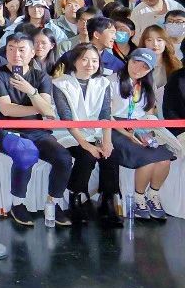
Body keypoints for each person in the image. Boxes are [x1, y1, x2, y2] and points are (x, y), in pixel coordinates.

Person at [0, 32, 73, 226]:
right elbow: (6, 109)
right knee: (26, 154)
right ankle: (17, 203)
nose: (16, 54)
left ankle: (53, 203)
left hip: (37, 130)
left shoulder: (41, 76)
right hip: (7, 130)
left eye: (21, 50)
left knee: (63, 158)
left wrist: (31, 91)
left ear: (32, 52)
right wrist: (39, 107)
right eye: (11, 49)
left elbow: (48, 111)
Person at [51, 43, 121, 227]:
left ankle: (107, 200)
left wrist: (107, 141)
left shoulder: (103, 83)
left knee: (111, 155)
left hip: (95, 132)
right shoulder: (60, 83)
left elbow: (106, 114)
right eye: (85, 60)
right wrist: (86, 144)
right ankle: (75, 197)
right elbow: (66, 118)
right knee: (87, 156)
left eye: (94, 60)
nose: (90, 64)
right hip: (68, 134)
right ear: (74, 61)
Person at [112, 48, 177, 219]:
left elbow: (148, 112)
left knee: (164, 160)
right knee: (147, 160)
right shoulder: (111, 81)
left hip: (141, 127)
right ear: (128, 60)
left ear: (150, 70)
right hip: (115, 127)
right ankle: (139, 198)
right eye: (135, 62)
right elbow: (106, 114)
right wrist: (127, 133)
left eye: (144, 67)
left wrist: (148, 131)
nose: (138, 69)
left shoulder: (148, 85)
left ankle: (153, 195)